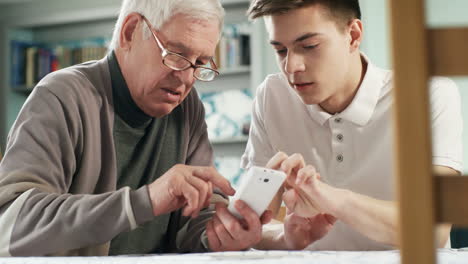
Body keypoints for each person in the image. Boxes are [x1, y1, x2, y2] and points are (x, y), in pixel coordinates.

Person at [0, 0, 271, 256]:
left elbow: (193, 223)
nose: (187, 79)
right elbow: (10, 225)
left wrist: (218, 233)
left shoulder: (187, 109)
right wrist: (146, 201)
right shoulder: (61, 95)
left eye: (199, 63)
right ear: (130, 32)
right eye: (176, 55)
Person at [241, 0, 463, 251]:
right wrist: (285, 238)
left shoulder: (429, 95)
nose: (292, 67)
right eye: (281, 50)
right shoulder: (272, 96)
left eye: (309, 46)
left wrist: (329, 198)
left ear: (353, 35)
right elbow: (252, 228)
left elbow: (433, 228)